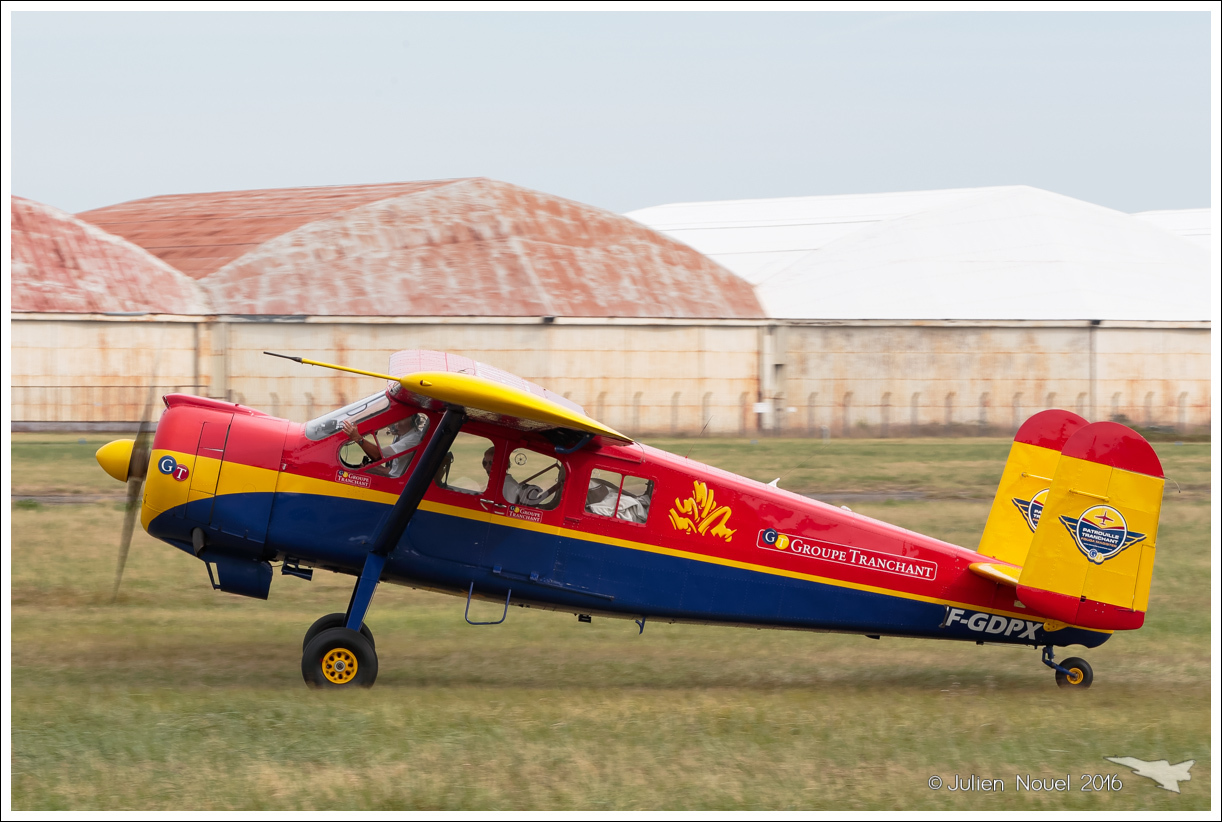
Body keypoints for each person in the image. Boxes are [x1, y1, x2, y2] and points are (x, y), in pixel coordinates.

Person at [341, 415, 423, 478]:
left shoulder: (414, 439)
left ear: (412, 421)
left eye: (400, 420)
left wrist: (357, 438)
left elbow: (380, 455)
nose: (396, 424)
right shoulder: (402, 435)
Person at [483, 447, 564, 507]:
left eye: (491, 463)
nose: (487, 467)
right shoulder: (500, 482)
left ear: (502, 464)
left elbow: (505, 508)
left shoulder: (508, 485)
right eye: (485, 463)